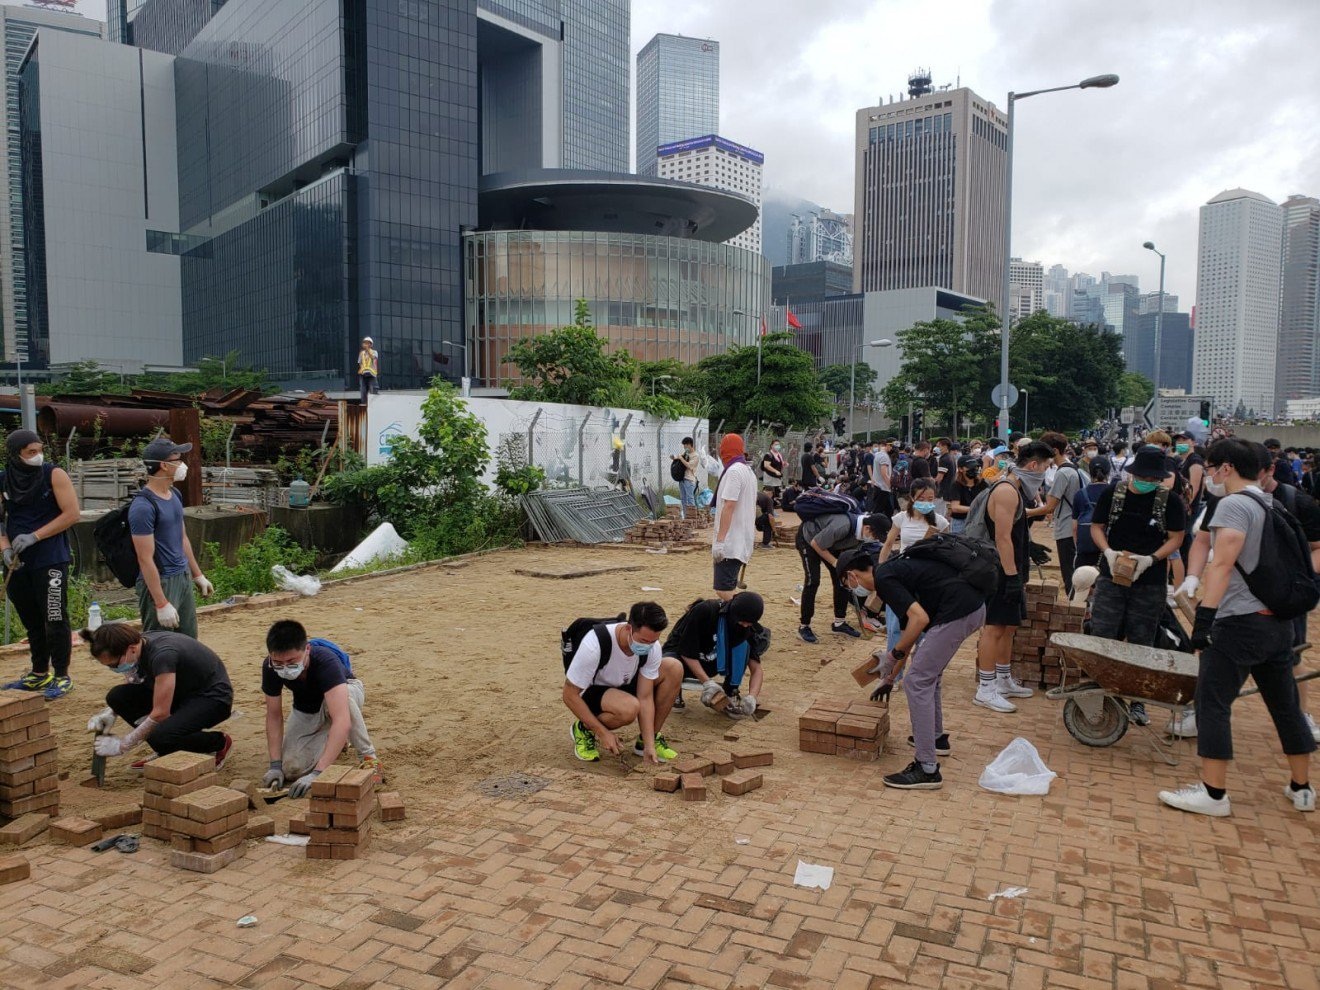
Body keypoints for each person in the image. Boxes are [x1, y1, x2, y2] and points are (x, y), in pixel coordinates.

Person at [1159, 438, 1315, 816]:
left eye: (1212, 468)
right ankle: (1302, 787)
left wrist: (1205, 621)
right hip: (1276, 623)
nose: (1209, 475)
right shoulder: (1268, 501)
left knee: (1213, 703)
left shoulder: (1233, 505)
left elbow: (1224, 563)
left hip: (1239, 624)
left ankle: (1214, 795)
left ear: (1226, 468)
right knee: (1286, 707)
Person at [839, 546, 987, 790]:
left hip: (959, 611)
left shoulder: (885, 578)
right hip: (968, 608)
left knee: (917, 681)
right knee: (928, 672)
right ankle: (936, 739)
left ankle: (926, 767)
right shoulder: (892, 574)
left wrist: (892, 655)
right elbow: (911, 631)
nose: (851, 588)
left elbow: (920, 620)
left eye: (847, 583)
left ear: (851, 574)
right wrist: (889, 678)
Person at [1088, 446, 1187, 726]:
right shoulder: (1113, 493)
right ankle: (1101, 693)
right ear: (1133, 473)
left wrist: (1151, 558)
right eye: (1143, 476)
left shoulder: (1170, 501)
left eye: (1153, 478)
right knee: (1103, 633)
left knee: (1142, 639)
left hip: (1150, 581)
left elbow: (1176, 537)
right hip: (1111, 577)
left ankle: (1138, 702)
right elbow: (1096, 526)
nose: (1147, 481)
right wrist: (1107, 551)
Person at [83, 623, 233, 768]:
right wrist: (110, 713)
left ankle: (217, 743)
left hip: (212, 699)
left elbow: (160, 713)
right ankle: (167, 750)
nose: (114, 669)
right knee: (116, 697)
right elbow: (132, 681)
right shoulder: (137, 643)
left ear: (131, 649)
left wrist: (123, 746)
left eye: (114, 665)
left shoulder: (162, 655)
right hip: (180, 692)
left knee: (160, 736)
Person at [0, 429, 81, 698]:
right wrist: (6, 549)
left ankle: (61, 674)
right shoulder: (4, 480)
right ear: (15, 455)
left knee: (54, 616)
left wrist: (35, 536)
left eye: (39, 450)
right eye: (30, 452)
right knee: (31, 619)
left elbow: (72, 514)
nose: (37, 456)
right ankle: (38, 673)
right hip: (19, 562)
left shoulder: (53, 474)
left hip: (50, 557)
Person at [973, 441, 1053, 713]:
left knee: (1008, 625)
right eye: (1044, 468)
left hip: (1012, 566)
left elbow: (1015, 534)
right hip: (1001, 570)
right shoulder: (1007, 491)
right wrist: (1011, 576)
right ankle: (985, 688)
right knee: (994, 627)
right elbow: (1002, 537)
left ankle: (1003, 678)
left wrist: (1028, 549)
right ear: (1033, 466)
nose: (1044, 474)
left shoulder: (1015, 488)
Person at [260, 620, 380, 798]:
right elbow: (274, 716)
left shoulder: (325, 661)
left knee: (343, 704)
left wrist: (318, 773)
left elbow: (342, 719)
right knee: (291, 770)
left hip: (345, 695)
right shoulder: (270, 667)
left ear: (306, 650)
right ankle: (335, 744)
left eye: (292, 661)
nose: (285, 668)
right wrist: (275, 765)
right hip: (307, 707)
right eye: (278, 662)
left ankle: (369, 757)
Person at [563, 601, 681, 764]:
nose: (648, 646)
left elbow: (645, 697)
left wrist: (649, 745)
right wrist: (603, 732)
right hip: (592, 691)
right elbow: (569, 695)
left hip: (623, 682)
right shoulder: (595, 644)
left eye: (653, 641)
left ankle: (646, 741)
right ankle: (584, 729)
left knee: (673, 668)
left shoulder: (652, 647)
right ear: (628, 629)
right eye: (644, 640)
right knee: (629, 708)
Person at [130, 438, 213, 639]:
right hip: (162, 580)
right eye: (177, 459)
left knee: (188, 642)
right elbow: (145, 559)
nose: (182, 464)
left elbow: (182, 537)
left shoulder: (174, 494)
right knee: (160, 644)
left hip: (181, 576)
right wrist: (160, 602)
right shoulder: (143, 507)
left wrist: (197, 574)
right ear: (164, 466)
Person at [663, 592, 768, 716]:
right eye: (742, 622)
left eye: (749, 623)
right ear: (733, 614)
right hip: (681, 656)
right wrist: (708, 683)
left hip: (710, 661)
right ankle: (675, 687)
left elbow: (756, 668)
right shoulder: (706, 611)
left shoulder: (748, 627)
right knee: (672, 665)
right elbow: (687, 652)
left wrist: (752, 697)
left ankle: (731, 690)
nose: (745, 625)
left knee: (743, 646)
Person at [877, 480, 949, 655]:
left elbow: (947, 551)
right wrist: (880, 570)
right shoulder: (902, 518)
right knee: (895, 628)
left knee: (923, 631)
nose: (926, 502)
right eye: (921, 498)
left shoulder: (941, 522)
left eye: (930, 498)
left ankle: (916, 675)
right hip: (901, 577)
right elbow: (888, 545)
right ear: (912, 497)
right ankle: (893, 674)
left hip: (927, 580)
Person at [796, 511, 890, 644]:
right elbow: (816, 543)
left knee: (842, 579)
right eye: (875, 536)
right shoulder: (843, 526)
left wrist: (843, 567)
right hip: (809, 539)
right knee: (813, 580)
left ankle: (839, 623)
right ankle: (804, 626)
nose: (875, 539)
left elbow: (846, 552)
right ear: (867, 528)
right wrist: (835, 563)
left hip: (831, 544)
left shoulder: (861, 535)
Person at [1039, 432, 1088, 596]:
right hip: (1078, 526)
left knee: (1069, 574)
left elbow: (1049, 507)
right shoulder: (1076, 469)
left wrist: (1025, 512)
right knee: (1076, 571)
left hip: (1066, 529)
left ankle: (1075, 608)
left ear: (1054, 450)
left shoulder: (1062, 473)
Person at [712, 434, 757, 602]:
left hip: (731, 543)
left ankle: (751, 623)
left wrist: (720, 541)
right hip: (742, 540)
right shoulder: (748, 471)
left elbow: (729, 506)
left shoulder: (733, 472)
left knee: (723, 590)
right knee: (727, 588)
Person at [1073, 456, 1113, 570]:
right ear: (1108, 472)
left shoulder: (1080, 494)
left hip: (1085, 549)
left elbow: (1074, 527)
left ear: (1089, 472)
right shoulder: (1115, 492)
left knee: (1084, 583)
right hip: (1109, 549)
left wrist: (1079, 548)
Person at [946, 456, 982, 535]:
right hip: (960, 522)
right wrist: (977, 508)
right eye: (970, 467)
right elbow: (955, 507)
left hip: (978, 521)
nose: (974, 469)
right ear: (961, 469)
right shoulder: (956, 485)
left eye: (976, 467)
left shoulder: (982, 484)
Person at [671, 437, 698, 520]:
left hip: (689, 480)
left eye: (685, 445)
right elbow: (680, 460)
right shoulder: (686, 454)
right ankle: (686, 517)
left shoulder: (695, 456)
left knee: (690, 499)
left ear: (690, 445)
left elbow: (689, 465)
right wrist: (674, 458)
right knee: (683, 498)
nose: (684, 447)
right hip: (682, 479)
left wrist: (681, 458)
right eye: (684, 445)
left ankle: (692, 518)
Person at [761, 441, 786, 505]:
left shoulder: (778, 455)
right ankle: (768, 509)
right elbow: (766, 465)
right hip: (770, 476)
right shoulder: (768, 455)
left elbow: (778, 464)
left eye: (778, 444)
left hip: (776, 477)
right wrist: (775, 471)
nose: (777, 446)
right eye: (776, 444)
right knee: (769, 493)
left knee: (775, 493)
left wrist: (784, 464)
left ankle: (771, 508)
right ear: (771, 446)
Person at [357, 336, 380, 404]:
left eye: (367, 343)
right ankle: (364, 403)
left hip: (372, 374)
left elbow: (373, 358)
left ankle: (374, 404)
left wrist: (367, 349)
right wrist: (362, 369)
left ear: (370, 344)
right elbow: (360, 362)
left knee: (373, 389)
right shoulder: (361, 353)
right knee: (363, 390)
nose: (366, 344)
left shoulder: (374, 352)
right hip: (363, 374)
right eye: (365, 343)